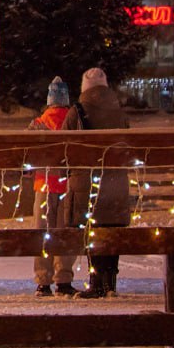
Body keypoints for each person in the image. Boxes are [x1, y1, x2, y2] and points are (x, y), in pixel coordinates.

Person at [69, 67, 131, 298]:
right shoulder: (119, 110)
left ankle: (96, 282)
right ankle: (110, 282)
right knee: (112, 228)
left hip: (90, 179)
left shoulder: (78, 110)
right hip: (116, 179)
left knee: (93, 230)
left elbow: (64, 145)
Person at [29, 76, 79, 296]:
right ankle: (64, 279)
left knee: (43, 233)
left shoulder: (39, 123)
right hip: (67, 186)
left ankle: (43, 280)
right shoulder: (74, 121)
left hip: (44, 185)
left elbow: (25, 154)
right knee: (66, 233)